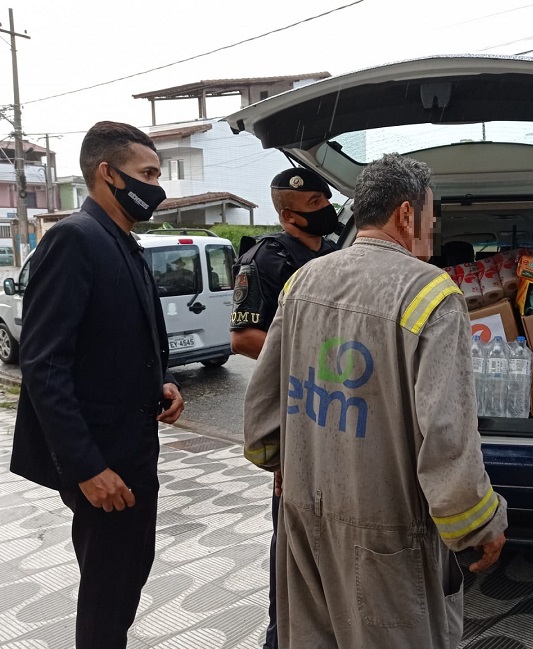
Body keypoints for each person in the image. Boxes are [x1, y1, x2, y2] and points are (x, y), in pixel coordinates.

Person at [243, 153, 508, 649]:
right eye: (429, 217)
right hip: (388, 529)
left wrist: (278, 461)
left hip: (302, 512)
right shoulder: (428, 292)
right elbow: (446, 433)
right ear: (407, 215)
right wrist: (479, 522)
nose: (430, 229)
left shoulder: (305, 280)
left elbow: (262, 406)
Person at [10, 121, 185, 649]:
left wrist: (166, 381)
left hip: (133, 451)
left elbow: (120, 338)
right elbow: (43, 364)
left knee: (128, 574)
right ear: (107, 174)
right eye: (148, 173)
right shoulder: (74, 239)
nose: (157, 186)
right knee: (108, 595)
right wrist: (86, 468)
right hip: (102, 462)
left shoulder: (123, 242)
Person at [230, 166, 338, 649]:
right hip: (297, 408)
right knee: (293, 537)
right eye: (316, 206)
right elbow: (244, 338)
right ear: (287, 213)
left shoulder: (337, 254)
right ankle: (283, 635)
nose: (327, 211)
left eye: (326, 202)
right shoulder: (266, 259)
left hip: (339, 405)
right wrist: (318, 355)